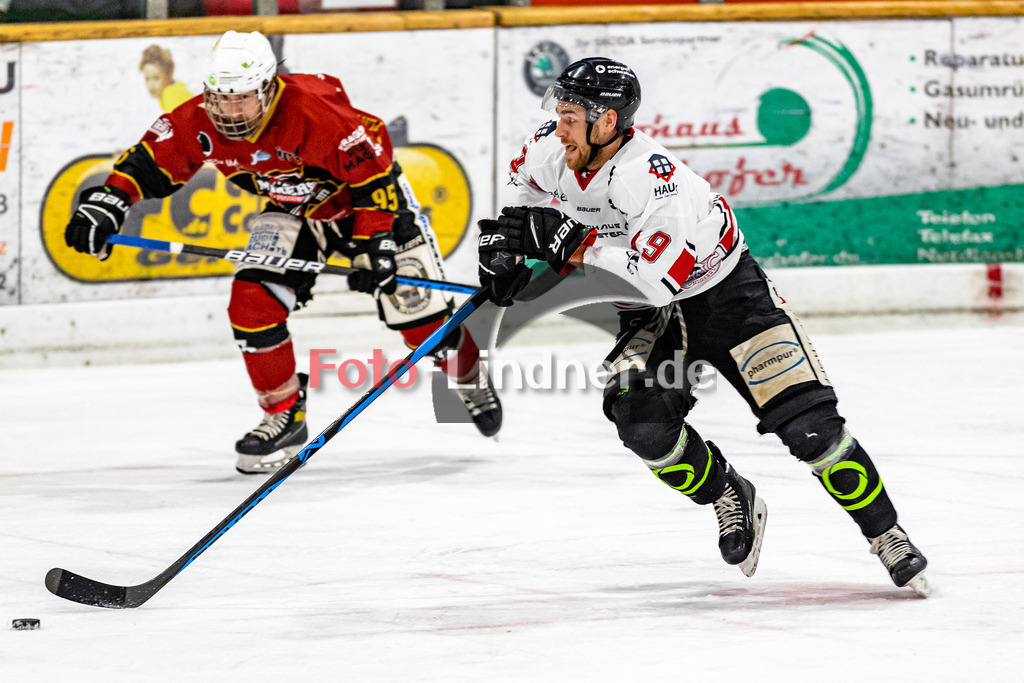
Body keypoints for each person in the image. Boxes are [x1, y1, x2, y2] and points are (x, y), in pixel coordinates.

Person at [478, 57, 930, 595]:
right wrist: (505, 253)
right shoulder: (550, 146)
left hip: (729, 300)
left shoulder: (653, 179)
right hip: (651, 314)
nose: (559, 126)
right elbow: (524, 194)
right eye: (560, 113)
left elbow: (657, 282)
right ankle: (728, 493)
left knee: (811, 428)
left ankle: (887, 534)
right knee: (643, 426)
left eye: (571, 117)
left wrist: (574, 246)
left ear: (607, 122)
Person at [66, 30, 502, 474]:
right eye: (220, 99)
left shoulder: (313, 111)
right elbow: (148, 160)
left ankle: (468, 376)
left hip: (368, 206)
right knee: (251, 301)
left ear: (268, 88)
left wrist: (377, 247)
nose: (229, 113)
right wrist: (108, 202)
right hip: (294, 209)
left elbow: (374, 178)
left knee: (421, 320)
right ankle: (284, 414)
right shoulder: (199, 118)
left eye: (242, 99)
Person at [138, 44, 194, 113]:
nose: (151, 85)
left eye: (156, 78)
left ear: (168, 75)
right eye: (147, 79)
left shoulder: (170, 95)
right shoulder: (177, 87)